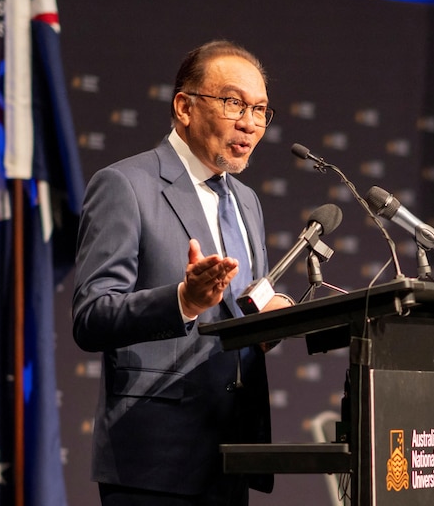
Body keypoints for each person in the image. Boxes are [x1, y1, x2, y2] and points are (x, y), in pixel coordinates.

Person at [73, 40, 293, 505]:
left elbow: (245, 303)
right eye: (233, 103)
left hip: (232, 455)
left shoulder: (247, 201)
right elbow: (91, 316)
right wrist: (183, 302)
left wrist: (274, 317)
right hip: (154, 464)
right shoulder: (125, 186)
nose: (250, 123)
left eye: (260, 109)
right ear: (184, 107)